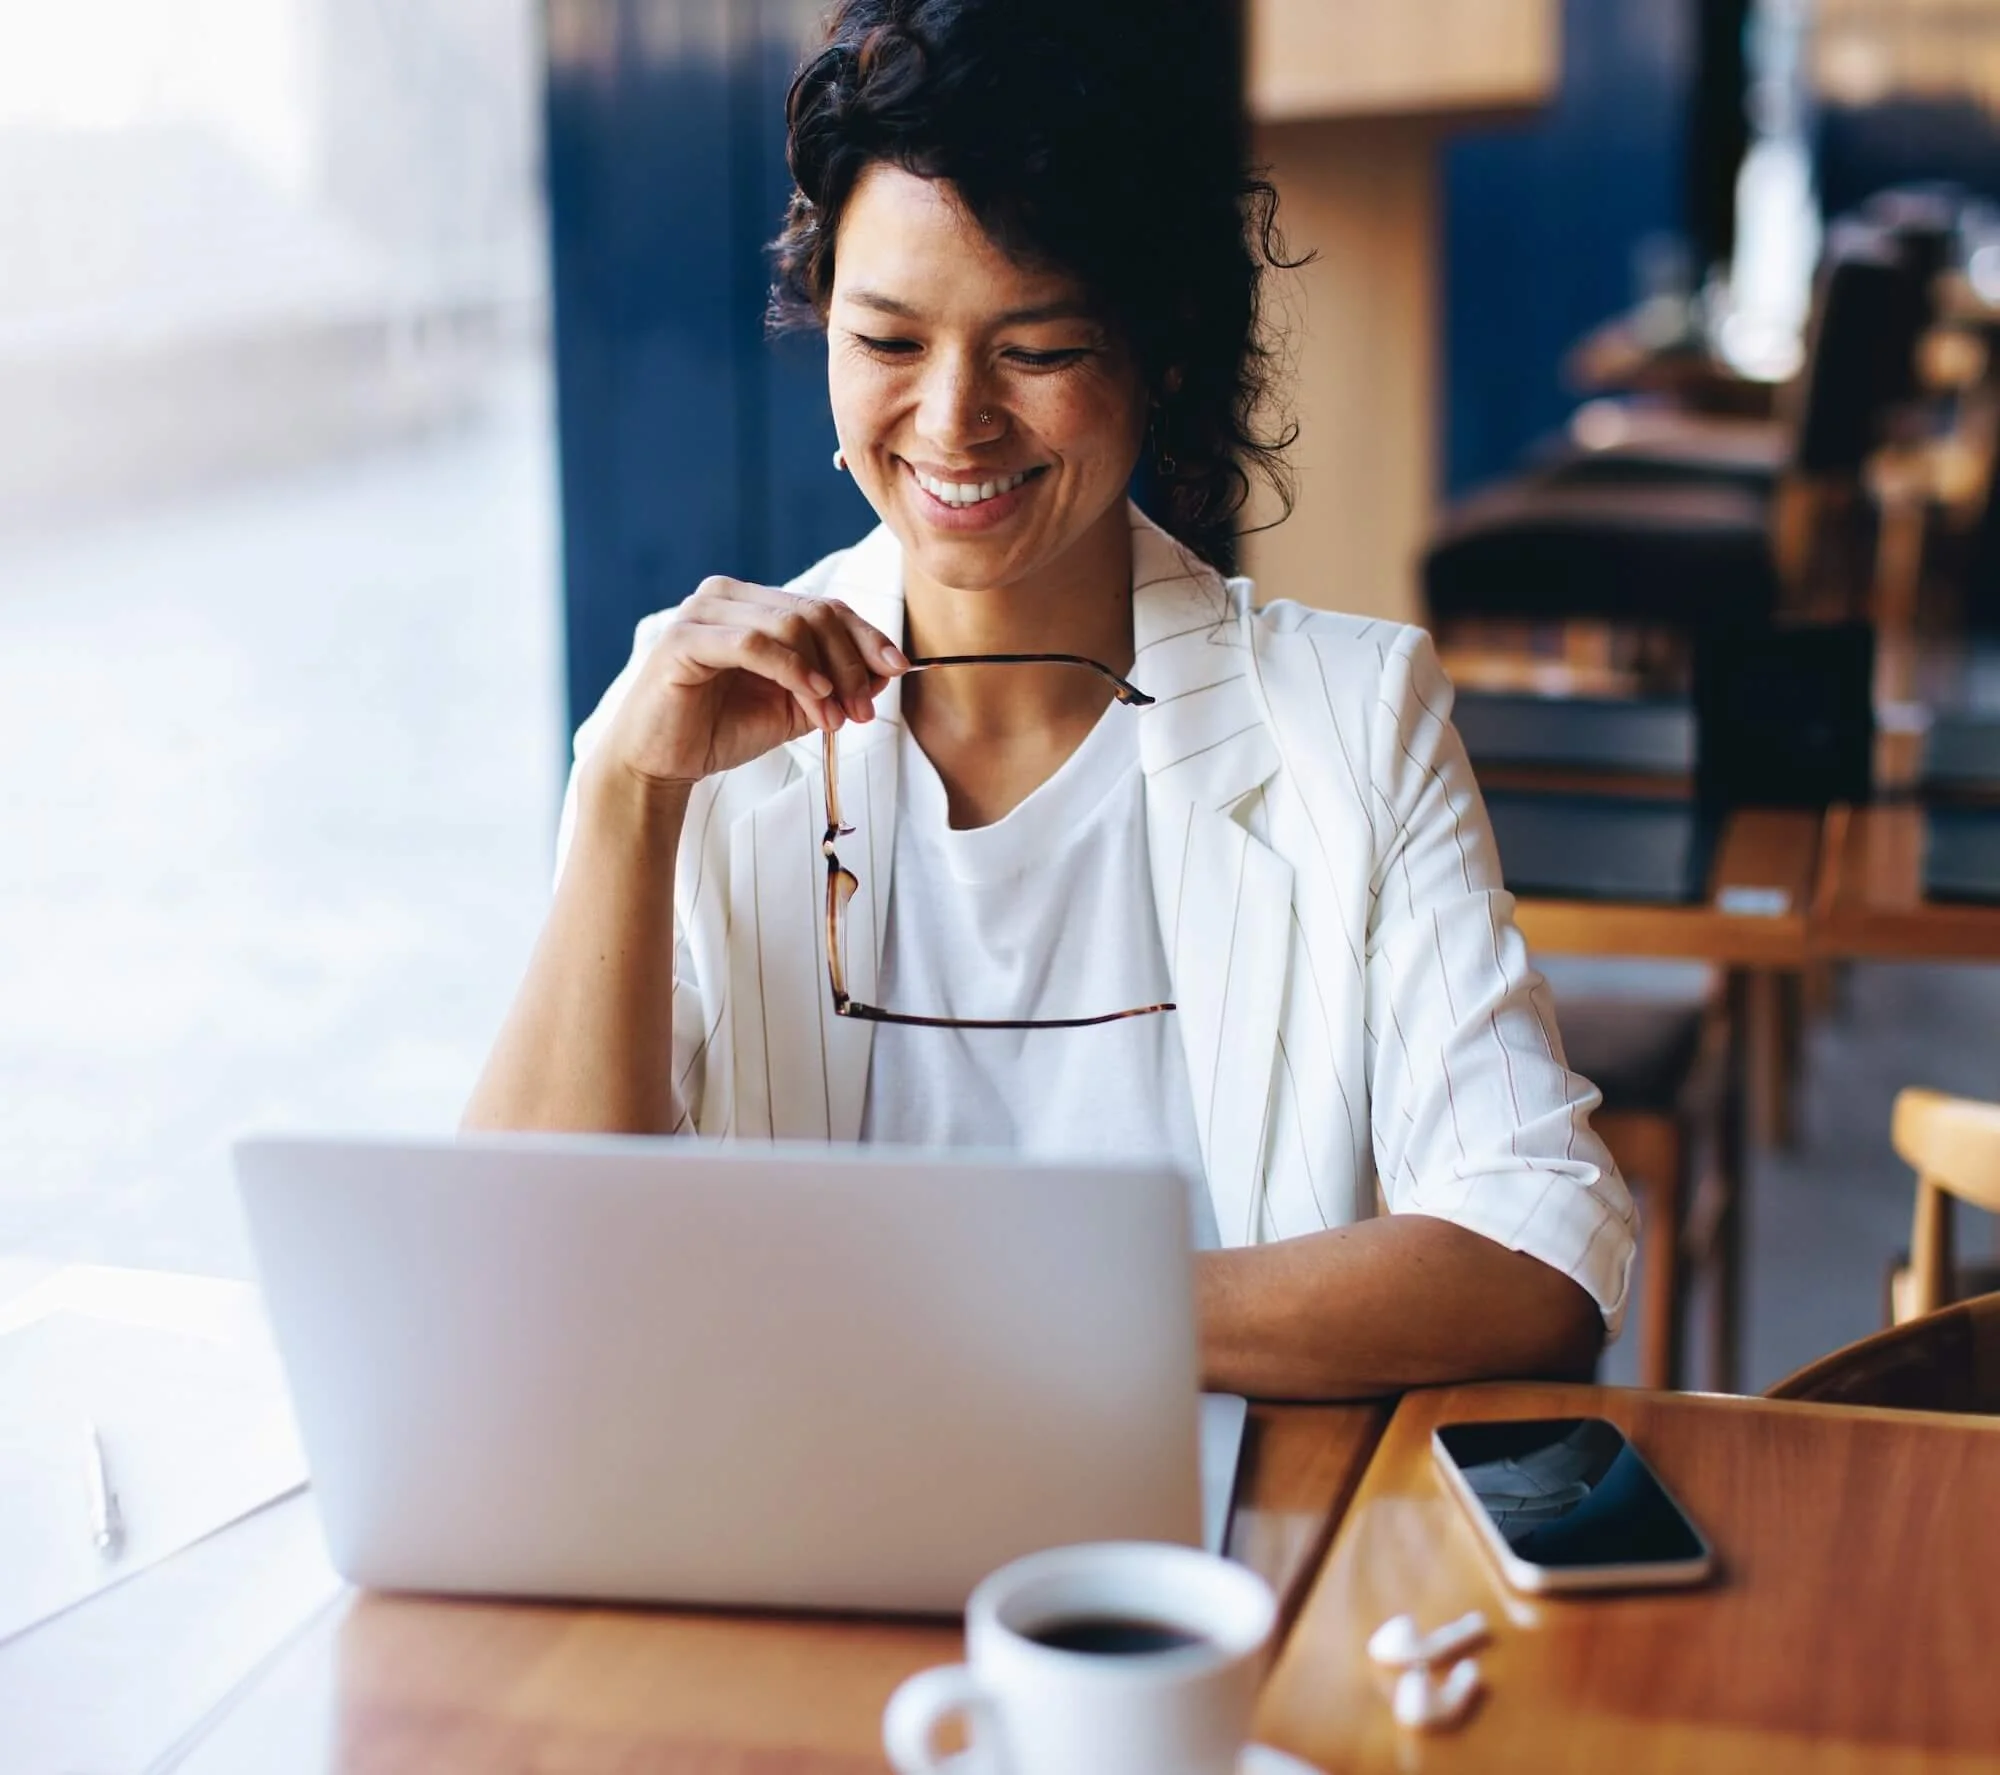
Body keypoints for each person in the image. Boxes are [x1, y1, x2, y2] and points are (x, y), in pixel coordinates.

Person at [465, 0, 1636, 1399]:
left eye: (1038, 350)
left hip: (1208, 1561)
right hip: (795, 1534)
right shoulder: (696, 730)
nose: (954, 422)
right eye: (889, 344)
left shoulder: (1350, 714)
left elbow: (1538, 1249)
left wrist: (1023, 1304)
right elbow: (512, 1284)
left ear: (1163, 353)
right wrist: (622, 793)